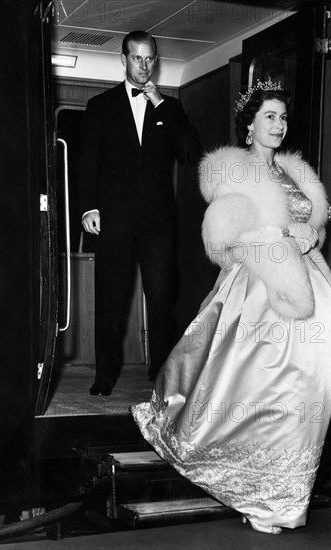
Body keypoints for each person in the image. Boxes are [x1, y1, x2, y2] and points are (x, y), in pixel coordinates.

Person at [131, 79, 331, 534]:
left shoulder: (296, 173)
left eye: (283, 117)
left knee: (318, 383)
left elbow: (313, 224)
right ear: (248, 126)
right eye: (269, 116)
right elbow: (221, 238)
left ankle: (286, 488)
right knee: (264, 385)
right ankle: (260, 494)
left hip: (310, 287)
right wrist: (283, 239)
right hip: (263, 287)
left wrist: (312, 236)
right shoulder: (234, 171)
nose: (279, 124)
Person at [79, 31, 199, 395]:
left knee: (162, 298)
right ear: (124, 59)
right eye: (137, 58)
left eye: (150, 59)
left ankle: (161, 374)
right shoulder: (100, 105)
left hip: (159, 223)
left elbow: (191, 152)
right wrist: (88, 207)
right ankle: (105, 375)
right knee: (110, 299)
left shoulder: (172, 108)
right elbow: (87, 163)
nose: (144, 66)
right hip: (113, 219)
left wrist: (162, 103)